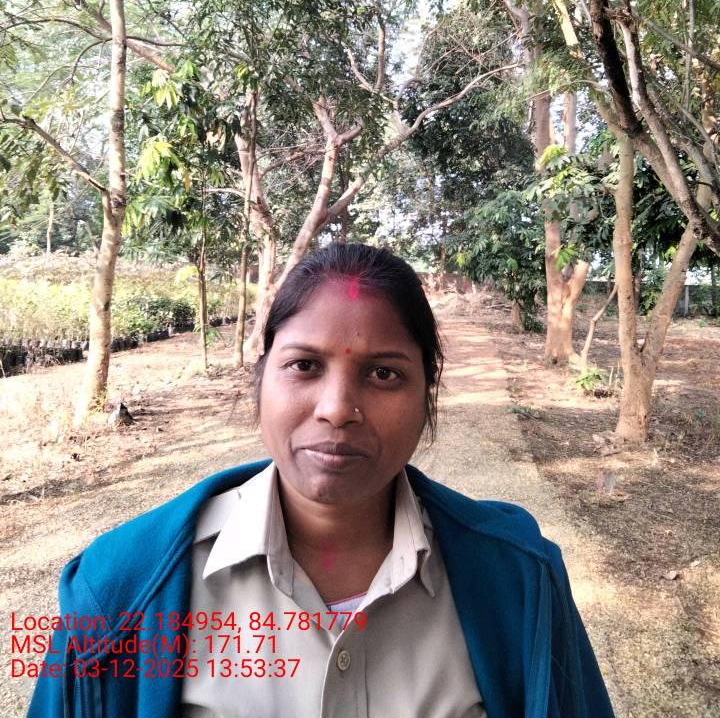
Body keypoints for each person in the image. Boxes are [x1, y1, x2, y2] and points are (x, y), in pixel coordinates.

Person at [28, 243, 615, 718]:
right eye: (304, 365)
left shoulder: (520, 580)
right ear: (262, 378)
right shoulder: (120, 592)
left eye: (383, 373)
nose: (337, 409)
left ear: (426, 394)